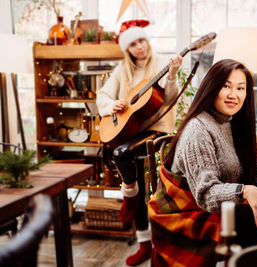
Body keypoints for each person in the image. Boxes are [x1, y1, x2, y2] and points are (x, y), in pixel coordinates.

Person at [148, 59, 257, 266]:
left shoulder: (227, 119)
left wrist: (250, 164)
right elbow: (205, 195)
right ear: (212, 87)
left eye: (241, 88)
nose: (234, 95)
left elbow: (221, 155)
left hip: (207, 209)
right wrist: (246, 190)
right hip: (187, 217)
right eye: (226, 86)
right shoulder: (198, 130)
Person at [96, 19, 182, 266]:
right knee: (137, 181)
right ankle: (144, 244)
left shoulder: (162, 63)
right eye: (133, 44)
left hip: (156, 131)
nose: (140, 46)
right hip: (130, 131)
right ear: (128, 49)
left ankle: (129, 195)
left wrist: (173, 73)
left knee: (123, 157)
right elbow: (102, 95)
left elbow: (169, 101)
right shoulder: (122, 70)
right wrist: (111, 105)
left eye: (141, 40)